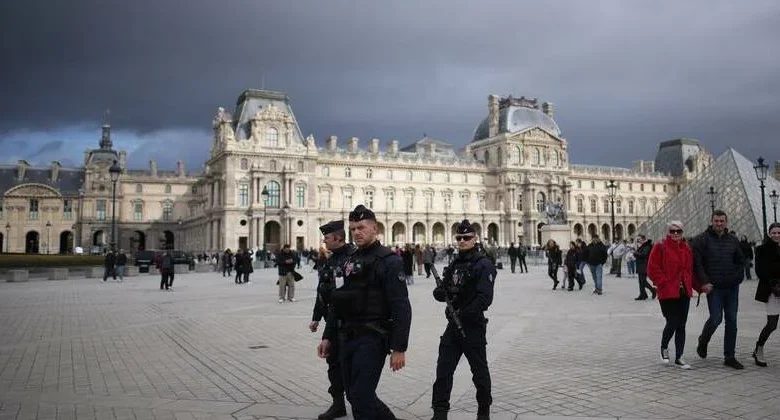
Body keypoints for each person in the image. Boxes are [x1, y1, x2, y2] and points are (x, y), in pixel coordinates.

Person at [319, 205, 411, 420]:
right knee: (354, 395)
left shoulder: (389, 261)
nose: (356, 232)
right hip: (347, 335)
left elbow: (401, 307)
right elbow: (337, 302)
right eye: (353, 229)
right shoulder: (349, 260)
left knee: (361, 396)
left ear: (374, 228)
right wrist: (327, 336)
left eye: (361, 227)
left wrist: (399, 348)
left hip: (373, 337)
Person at [431, 219, 494, 420]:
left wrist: (463, 313)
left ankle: (483, 410)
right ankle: (440, 412)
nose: (462, 241)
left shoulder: (483, 264)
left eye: (466, 238)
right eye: (459, 238)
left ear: (475, 239)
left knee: (479, 372)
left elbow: (485, 298)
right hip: (453, 326)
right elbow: (447, 289)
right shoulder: (455, 263)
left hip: (472, 327)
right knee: (443, 370)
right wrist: (440, 293)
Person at [310, 220, 353, 419]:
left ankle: (359, 402)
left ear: (338, 237)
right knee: (333, 364)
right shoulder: (330, 260)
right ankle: (338, 404)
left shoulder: (352, 258)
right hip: (332, 322)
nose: (324, 241)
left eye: (326, 237)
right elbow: (322, 291)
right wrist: (316, 318)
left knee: (351, 365)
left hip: (351, 322)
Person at [693, 210, 746, 369]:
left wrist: (737, 278)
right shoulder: (702, 239)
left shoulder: (733, 240)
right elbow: (697, 263)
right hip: (714, 287)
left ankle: (729, 356)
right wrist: (704, 282)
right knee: (716, 319)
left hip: (731, 287)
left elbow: (740, 261)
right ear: (712, 221)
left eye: (722, 221)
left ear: (726, 222)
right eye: (716, 221)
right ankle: (703, 340)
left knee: (732, 321)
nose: (719, 223)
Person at [647, 221, 695, 369]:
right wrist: (664, 282)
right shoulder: (660, 246)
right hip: (667, 291)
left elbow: (689, 269)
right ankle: (664, 347)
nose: (675, 233)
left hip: (683, 291)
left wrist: (696, 286)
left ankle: (679, 357)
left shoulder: (686, 247)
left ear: (682, 232)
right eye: (672, 231)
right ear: (668, 232)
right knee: (672, 322)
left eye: (678, 231)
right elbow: (652, 268)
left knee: (682, 325)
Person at [752, 222, 780, 367]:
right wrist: (775, 282)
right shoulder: (762, 250)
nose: (776, 235)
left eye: (779, 233)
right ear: (769, 234)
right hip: (772, 290)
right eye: (773, 233)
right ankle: (759, 347)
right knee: (772, 324)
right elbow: (760, 271)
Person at [633, 235, 657, 300]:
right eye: (638, 239)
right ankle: (643, 294)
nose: (638, 241)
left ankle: (653, 290)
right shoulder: (642, 246)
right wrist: (636, 253)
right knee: (641, 281)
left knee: (643, 281)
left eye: (639, 239)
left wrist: (635, 253)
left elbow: (644, 254)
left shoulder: (647, 245)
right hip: (641, 265)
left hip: (644, 265)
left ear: (643, 239)